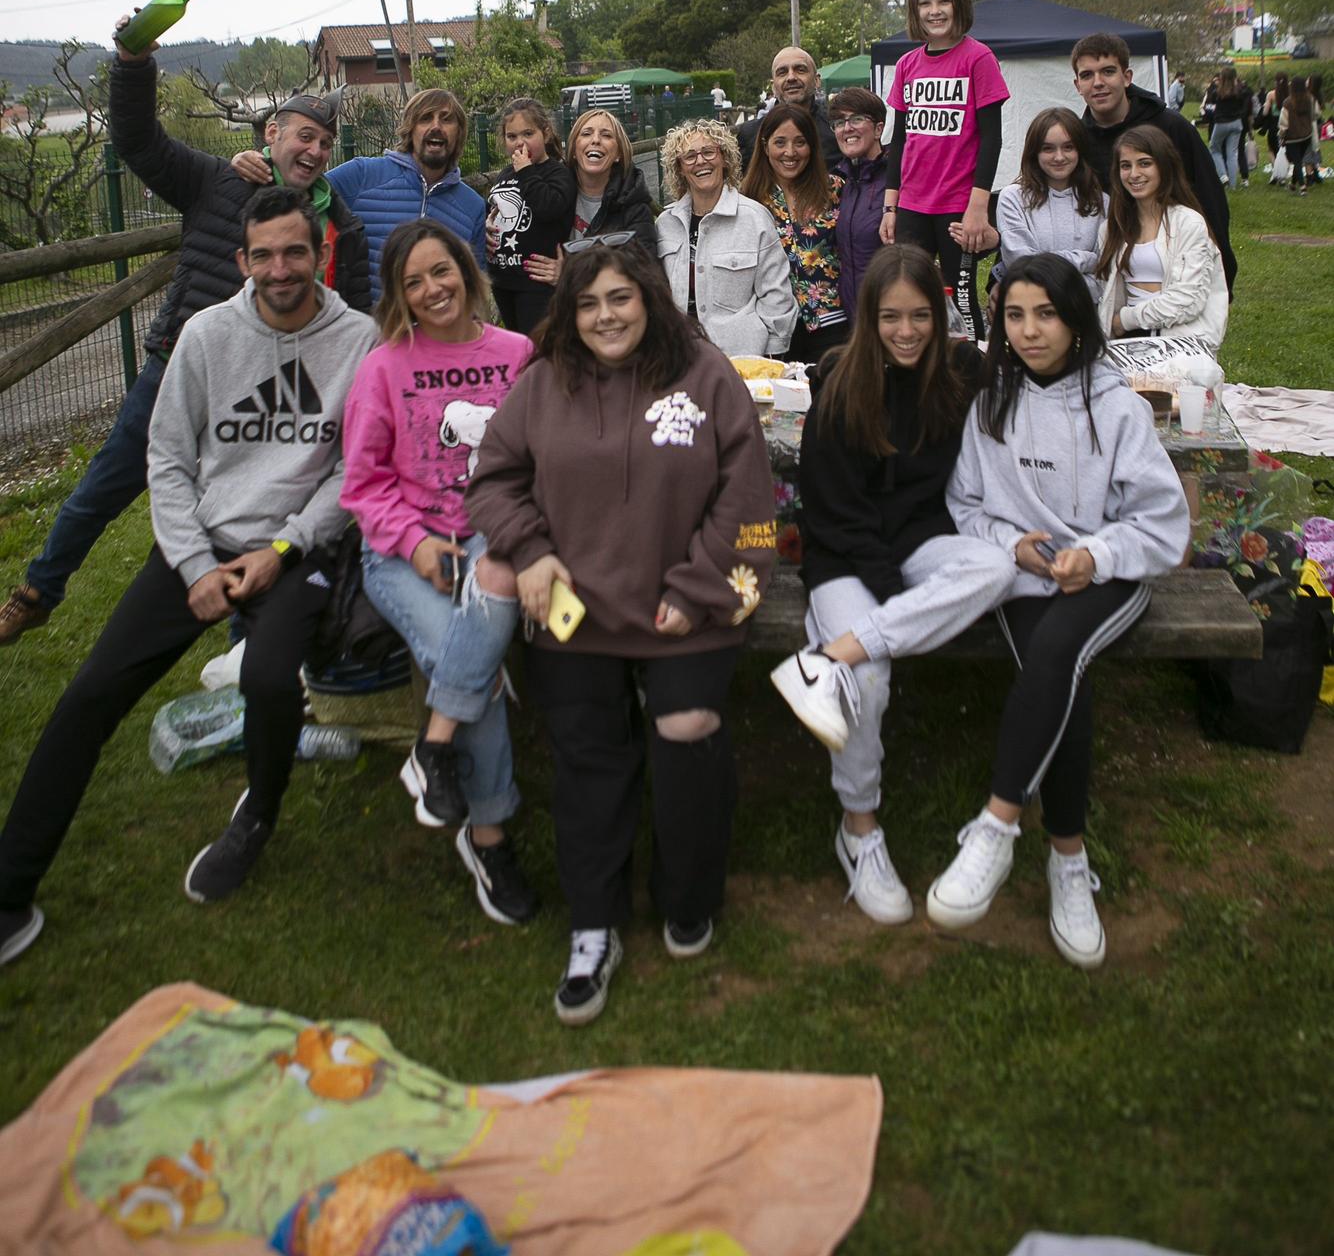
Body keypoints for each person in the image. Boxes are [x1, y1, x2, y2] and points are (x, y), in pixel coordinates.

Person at [0, 189, 378, 966]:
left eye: (295, 252)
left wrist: (285, 549)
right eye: (264, 254)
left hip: (295, 552)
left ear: (319, 255)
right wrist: (195, 564)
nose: (280, 268)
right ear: (242, 261)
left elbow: (353, 469)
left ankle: (258, 816)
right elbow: (166, 462)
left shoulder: (360, 340)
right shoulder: (207, 336)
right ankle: (10, 891)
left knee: (272, 681)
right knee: (89, 696)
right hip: (198, 545)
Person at [467, 240, 777, 1025]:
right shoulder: (541, 385)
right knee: (587, 758)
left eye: (621, 299)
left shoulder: (707, 375)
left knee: (687, 725)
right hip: (578, 614)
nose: (606, 316)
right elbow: (493, 481)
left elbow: (747, 496)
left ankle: (688, 894)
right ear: (570, 314)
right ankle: (594, 925)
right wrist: (530, 554)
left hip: (688, 604)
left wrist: (698, 587)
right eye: (589, 303)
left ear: (651, 299)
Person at [0, 35, 370, 650]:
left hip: (281, 390)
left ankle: (247, 648)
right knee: (108, 483)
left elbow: (353, 303)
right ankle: (38, 592)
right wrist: (134, 65)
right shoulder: (215, 181)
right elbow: (139, 143)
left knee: (262, 509)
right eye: (305, 135)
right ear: (273, 131)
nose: (315, 150)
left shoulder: (336, 219)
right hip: (183, 369)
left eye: (325, 143)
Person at [924, 253, 1190, 969]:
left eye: (1046, 314)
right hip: (1027, 575)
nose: (1031, 330)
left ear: (1077, 320)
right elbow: (966, 508)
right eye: (1014, 316)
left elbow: (1162, 526)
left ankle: (998, 823)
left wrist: (1094, 557)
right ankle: (1068, 860)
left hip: (1107, 575)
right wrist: (1014, 547)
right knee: (1058, 672)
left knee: (1057, 652)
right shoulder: (990, 405)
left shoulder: (1118, 409)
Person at [768, 246, 1016, 923]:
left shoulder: (958, 374)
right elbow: (835, 518)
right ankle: (859, 830)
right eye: (890, 318)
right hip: (847, 559)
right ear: (868, 318)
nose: (906, 332)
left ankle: (825, 660)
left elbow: (1032, 364)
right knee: (870, 678)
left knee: (995, 565)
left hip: (921, 545)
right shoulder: (840, 390)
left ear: (940, 318)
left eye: (919, 318)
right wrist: (889, 602)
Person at [340, 221, 536, 925]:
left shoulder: (517, 353)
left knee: (482, 617)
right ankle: (488, 834)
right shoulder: (384, 367)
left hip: (494, 532)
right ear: (399, 296)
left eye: (440, 272)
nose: (431, 290)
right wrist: (414, 542)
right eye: (412, 282)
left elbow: (538, 459)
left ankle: (438, 755)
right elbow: (361, 484)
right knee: (472, 663)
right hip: (404, 547)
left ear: (466, 269)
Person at [232, 85, 486, 295]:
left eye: (447, 119)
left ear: (459, 132)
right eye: (425, 118)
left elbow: (474, 287)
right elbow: (297, 187)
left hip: (434, 343)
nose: (436, 126)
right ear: (410, 129)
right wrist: (257, 159)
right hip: (367, 337)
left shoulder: (473, 207)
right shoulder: (361, 175)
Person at [880, 0, 1008, 340]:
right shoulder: (906, 65)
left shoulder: (978, 59)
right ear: (914, 10)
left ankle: (973, 378)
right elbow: (899, 140)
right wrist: (891, 207)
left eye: (943, 1)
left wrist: (978, 206)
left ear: (960, 4)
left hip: (958, 204)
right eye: (924, 3)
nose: (934, 11)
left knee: (961, 300)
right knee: (909, 296)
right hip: (912, 206)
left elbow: (992, 138)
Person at [1070, 34, 1236, 291]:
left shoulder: (1171, 128)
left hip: (1180, 272)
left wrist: (1222, 277)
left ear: (1127, 77)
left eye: (1108, 71)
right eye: (1087, 75)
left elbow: (1210, 201)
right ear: (1077, 84)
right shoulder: (1077, 143)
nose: (1098, 83)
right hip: (1111, 278)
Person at [656, 118, 796, 358]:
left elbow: (777, 295)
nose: (700, 161)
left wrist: (772, 357)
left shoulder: (754, 218)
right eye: (689, 156)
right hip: (677, 356)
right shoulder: (665, 224)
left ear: (724, 158)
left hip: (741, 357)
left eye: (709, 152)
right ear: (679, 168)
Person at [1095, 128, 1228, 349]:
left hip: (1180, 341)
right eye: (1126, 166)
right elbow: (1107, 294)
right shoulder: (1111, 229)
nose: (1134, 174)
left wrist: (1124, 319)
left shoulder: (1188, 223)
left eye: (1145, 163)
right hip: (1125, 343)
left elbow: (1188, 301)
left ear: (1164, 166)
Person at [740, 104, 847, 363]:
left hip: (832, 323)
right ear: (765, 147)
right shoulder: (748, 200)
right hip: (776, 328)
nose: (790, 152)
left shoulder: (834, 190)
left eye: (800, 142)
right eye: (780, 142)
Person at [523, 109, 657, 293]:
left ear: (618, 154)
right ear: (574, 151)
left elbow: (647, 274)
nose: (595, 140)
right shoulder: (547, 193)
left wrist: (568, 275)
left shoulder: (635, 207)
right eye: (586, 134)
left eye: (606, 135)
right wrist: (491, 231)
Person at [485, 99, 576, 334]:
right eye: (511, 136)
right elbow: (494, 209)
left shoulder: (558, 173)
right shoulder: (504, 175)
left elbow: (548, 207)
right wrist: (486, 226)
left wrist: (526, 171)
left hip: (537, 282)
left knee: (535, 347)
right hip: (503, 278)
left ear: (545, 134)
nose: (519, 142)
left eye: (528, 133)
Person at [995, 108, 1107, 299]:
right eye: (1048, 148)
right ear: (1034, 152)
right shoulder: (1012, 199)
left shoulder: (1101, 202)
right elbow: (1022, 265)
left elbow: (1103, 277)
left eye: (1068, 147)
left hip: (1084, 315)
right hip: (1030, 313)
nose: (1059, 157)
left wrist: (1043, 262)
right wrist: (1087, 260)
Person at [829, 86, 892, 322]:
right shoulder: (837, 182)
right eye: (838, 122)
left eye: (856, 119)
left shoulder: (899, 177)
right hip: (852, 321)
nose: (847, 128)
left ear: (878, 129)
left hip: (891, 315)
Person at [736, 47, 838, 173]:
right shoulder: (751, 134)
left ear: (817, 81)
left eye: (800, 70)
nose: (791, 77)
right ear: (773, 86)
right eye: (782, 72)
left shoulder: (837, 129)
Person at [1205, 67, 1251, 192]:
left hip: (1221, 123)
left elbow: (1209, 107)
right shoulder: (1240, 91)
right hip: (1236, 123)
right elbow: (1245, 107)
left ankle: (1222, 175)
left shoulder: (1217, 92)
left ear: (1222, 78)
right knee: (1232, 153)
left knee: (1214, 148)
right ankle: (1233, 184)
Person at [1279, 79, 1318, 195]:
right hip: (1306, 135)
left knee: (1296, 161)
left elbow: (1283, 123)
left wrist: (1281, 136)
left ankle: (1302, 187)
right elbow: (1315, 115)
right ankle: (1292, 184)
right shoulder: (1309, 100)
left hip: (1292, 136)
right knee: (1298, 160)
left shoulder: (1287, 102)